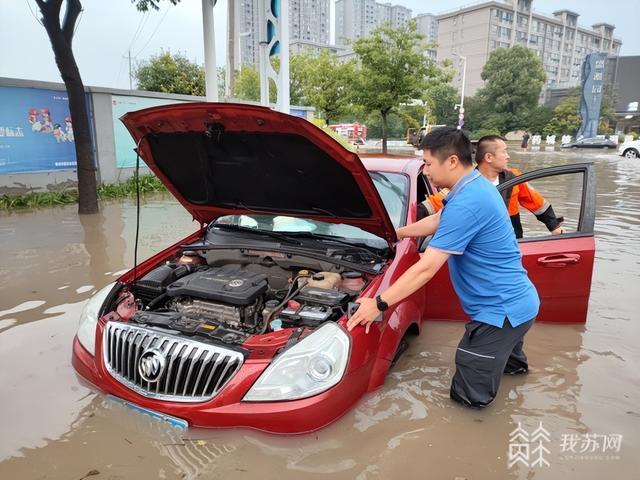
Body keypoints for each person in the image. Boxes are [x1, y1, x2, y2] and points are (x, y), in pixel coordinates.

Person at [347, 126, 539, 409]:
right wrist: (396, 233)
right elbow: (438, 221)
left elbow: (426, 269)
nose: (425, 170)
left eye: (428, 162)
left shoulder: (469, 201)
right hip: (518, 308)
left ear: (451, 161)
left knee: (468, 401)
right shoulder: (472, 187)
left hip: (499, 316)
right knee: (511, 375)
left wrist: (378, 303)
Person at [420, 135, 564, 238]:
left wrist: (555, 227)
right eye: (504, 151)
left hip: (513, 242)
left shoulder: (514, 178)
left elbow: (538, 204)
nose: (508, 156)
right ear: (489, 157)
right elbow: (434, 204)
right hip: (481, 244)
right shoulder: (465, 183)